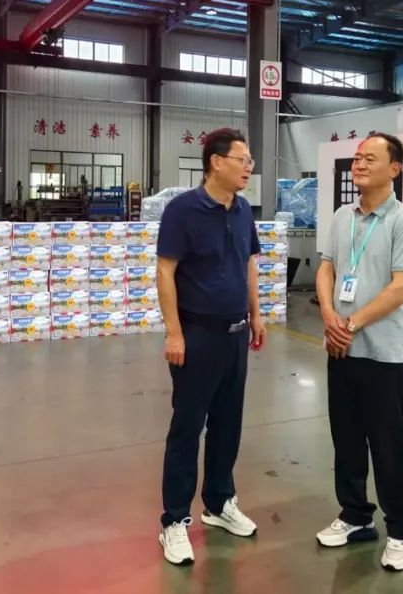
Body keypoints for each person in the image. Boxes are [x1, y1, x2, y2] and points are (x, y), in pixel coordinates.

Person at [155, 128, 268, 566]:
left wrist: (256, 314)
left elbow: (249, 264)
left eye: (250, 161)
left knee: (227, 425)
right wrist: (174, 332)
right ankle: (174, 520)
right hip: (197, 335)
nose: (249, 168)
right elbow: (166, 271)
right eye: (243, 159)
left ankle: (219, 503)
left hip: (236, 335)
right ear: (216, 162)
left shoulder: (242, 211)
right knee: (188, 428)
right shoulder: (183, 210)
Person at [314, 132, 403, 573]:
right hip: (340, 347)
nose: (359, 164)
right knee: (346, 439)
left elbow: (402, 287)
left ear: (395, 169)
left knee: (387, 444)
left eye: (370, 159)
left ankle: (401, 530)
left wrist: (352, 323)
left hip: (382, 354)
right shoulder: (343, 216)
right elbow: (326, 269)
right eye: (357, 158)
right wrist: (329, 315)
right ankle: (356, 515)